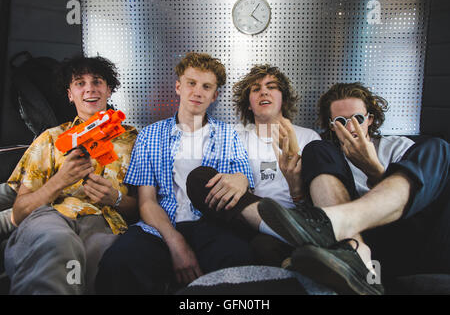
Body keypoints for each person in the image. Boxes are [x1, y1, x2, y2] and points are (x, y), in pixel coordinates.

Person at [256, 82, 449, 294]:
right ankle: (352, 251)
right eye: (340, 122)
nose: (350, 128)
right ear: (331, 126)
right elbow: (307, 207)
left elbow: (421, 195)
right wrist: (296, 189)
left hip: (403, 232)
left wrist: (374, 171)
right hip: (359, 242)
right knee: (316, 148)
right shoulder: (327, 156)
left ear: (370, 119)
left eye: (357, 119)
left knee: (439, 148)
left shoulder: (397, 146)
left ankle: (339, 221)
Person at [95, 52, 256, 294]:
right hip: (160, 226)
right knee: (119, 263)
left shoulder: (228, 135)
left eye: (206, 86)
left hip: (212, 225)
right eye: (191, 83)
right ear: (178, 87)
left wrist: (241, 179)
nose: (197, 92)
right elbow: (146, 202)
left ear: (215, 95)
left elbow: (245, 186)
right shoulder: (150, 135)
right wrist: (175, 242)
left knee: (240, 260)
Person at [4, 56, 139, 294]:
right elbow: (19, 211)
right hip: (53, 216)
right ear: (70, 94)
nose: (89, 88)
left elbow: (148, 207)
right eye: (79, 82)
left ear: (109, 90)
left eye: (97, 81)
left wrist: (115, 198)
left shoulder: (135, 140)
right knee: (56, 242)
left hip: (105, 225)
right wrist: (59, 181)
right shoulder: (52, 138)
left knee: (108, 261)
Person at [186, 64, 321, 267]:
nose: (263, 91)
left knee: (263, 247)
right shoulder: (231, 134)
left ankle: (283, 233)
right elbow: (213, 182)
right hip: (239, 219)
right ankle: (278, 229)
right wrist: (241, 179)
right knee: (198, 177)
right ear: (248, 104)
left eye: (271, 86)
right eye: (256, 89)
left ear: (283, 98)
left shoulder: (308, 138)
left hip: (293, 220)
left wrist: (296, 187)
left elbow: (314, 202)